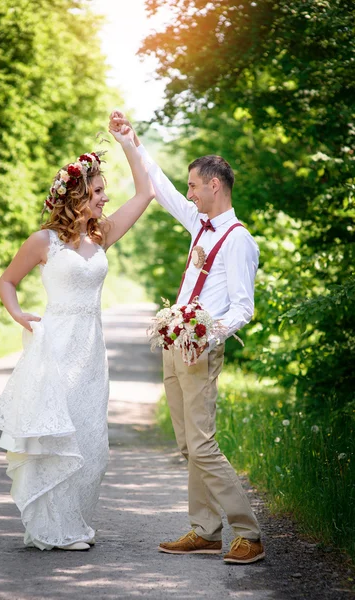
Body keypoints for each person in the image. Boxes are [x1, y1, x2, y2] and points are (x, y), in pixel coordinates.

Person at [0, 124, 154, 551]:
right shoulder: (43, 241)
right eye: (97, 191)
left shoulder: (102, 235)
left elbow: (146, 193)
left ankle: (73, 522)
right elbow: (7, 282)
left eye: (103, 191)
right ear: (75, 195)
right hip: (55, 349)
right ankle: (53, 529)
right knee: (58, 438)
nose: (104, 198)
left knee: (92, 444)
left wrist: (128, 144)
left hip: (91, 354)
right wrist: (20, 315)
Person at [109, 111, 265, 564]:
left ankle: (248, 533)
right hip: (173, 347)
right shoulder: (198, 222)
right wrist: (130, 143)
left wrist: (206, 335)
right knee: (186, 445)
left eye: (195, 185)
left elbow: (243, 308)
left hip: (200, 349)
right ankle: (205, 529)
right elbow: (159, 186)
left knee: (202, 444)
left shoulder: (239, 241)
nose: (190, 192)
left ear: (215, 185)